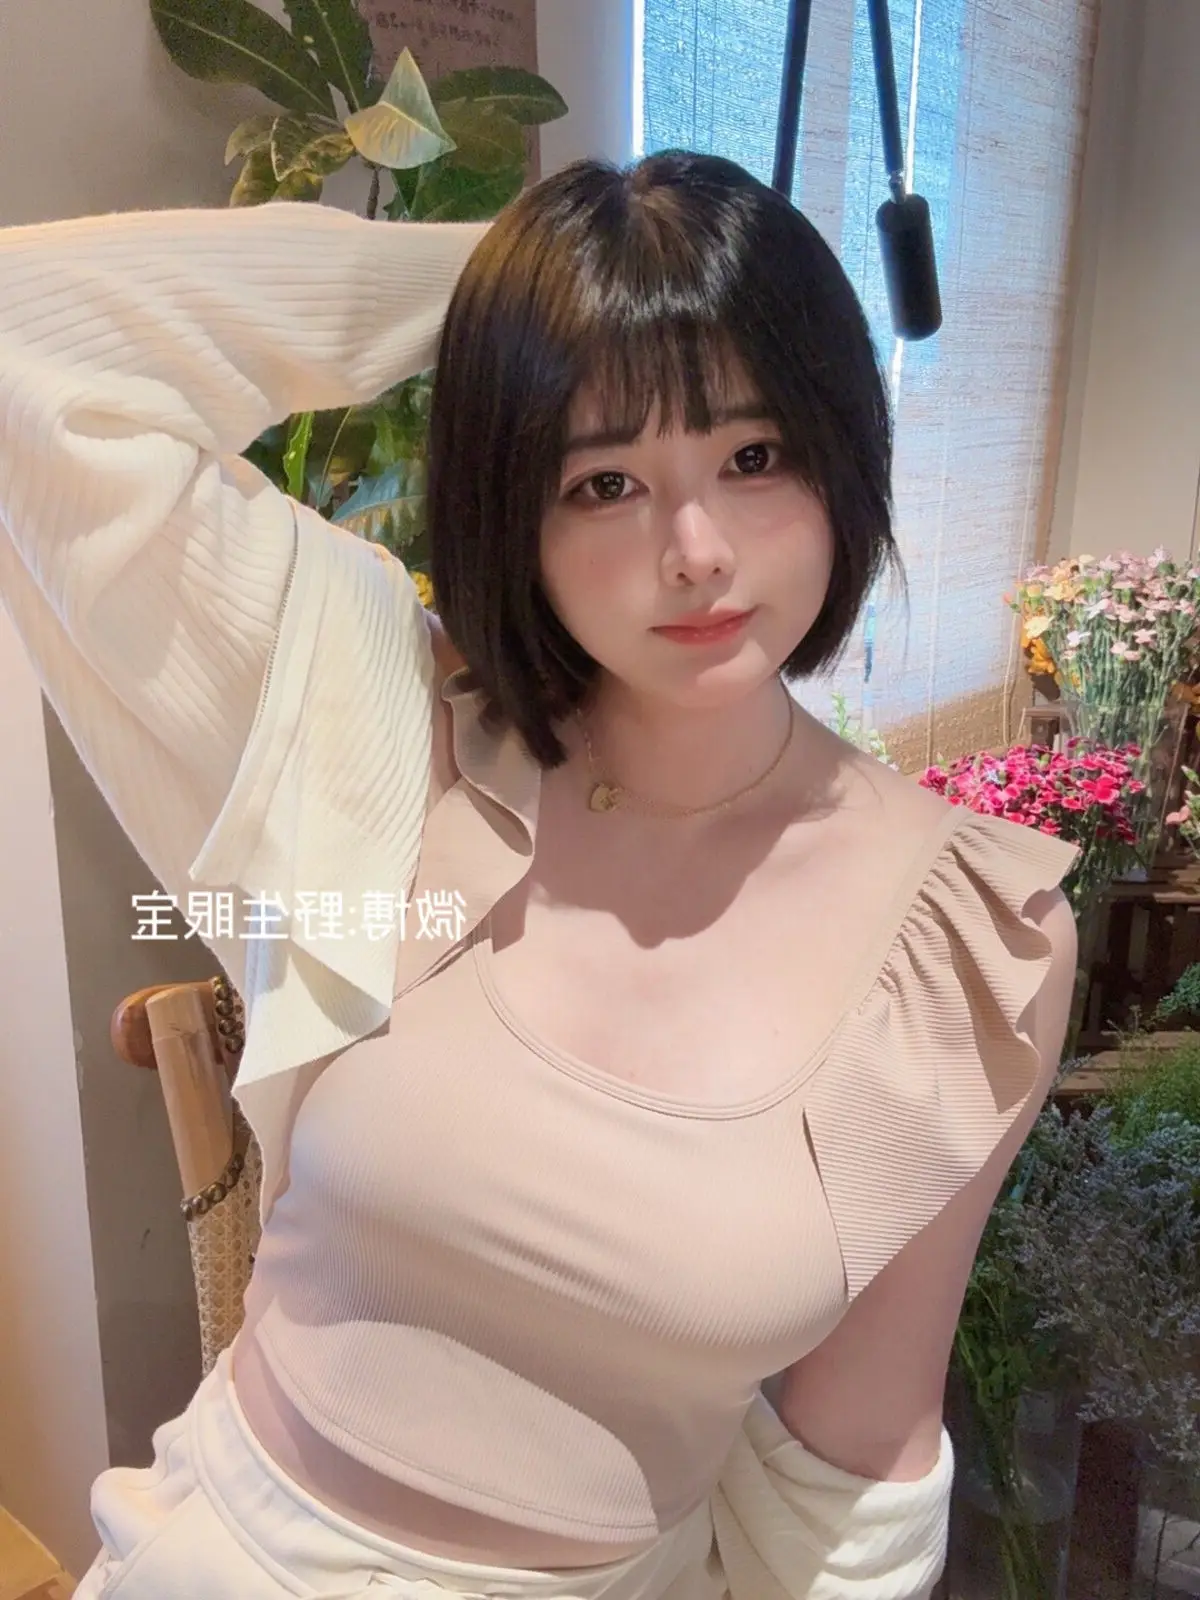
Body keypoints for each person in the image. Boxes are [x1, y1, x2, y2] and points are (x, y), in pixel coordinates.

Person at [0, 150, 1077, 1600]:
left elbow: (858, 1458)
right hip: (235, 1556)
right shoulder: (390, 735)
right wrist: (533, 292)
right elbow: (30, 348)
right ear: (518, 502)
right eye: (604, 480)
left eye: (756, 457)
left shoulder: (969, 938)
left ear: (841, 451)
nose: (696, 551)